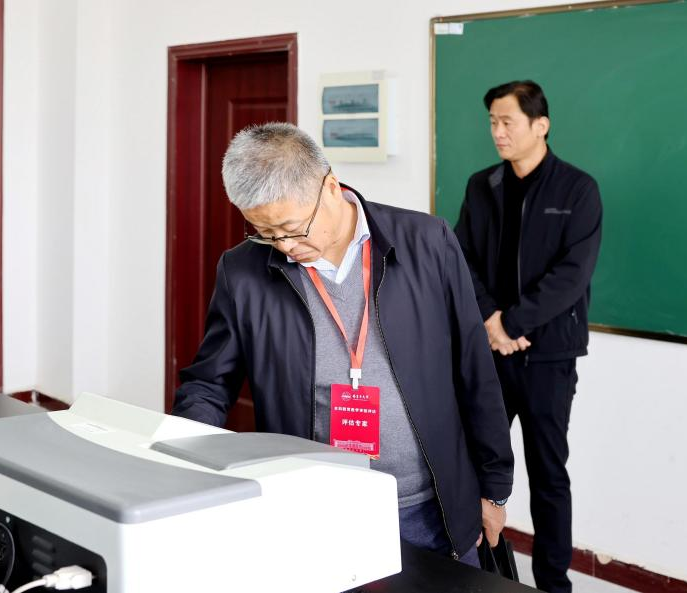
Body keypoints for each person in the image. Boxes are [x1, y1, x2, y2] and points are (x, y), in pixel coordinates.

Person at [173, 122, 513, 566]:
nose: (285, 247)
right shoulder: (243, 272)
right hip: (314, 507)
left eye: (293, 228)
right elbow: (208, 383)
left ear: (330, 186)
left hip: (431, 506)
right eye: (264, 232)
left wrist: (494, 487)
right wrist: (185, 460)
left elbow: (474, 369)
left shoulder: (427, 241)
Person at [454, 80, 602, 592]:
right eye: (492, 122)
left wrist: (511, 325)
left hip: (549, 355)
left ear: (541, 125)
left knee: (547, 474)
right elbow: (461, 258)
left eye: (507, 122)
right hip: (490, 351)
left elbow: (572, 275)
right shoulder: (482, 185)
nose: (498, 132)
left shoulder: (577, 189)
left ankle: (553, 585)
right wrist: (491, 320)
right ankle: (474, 569)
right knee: (474, 462)